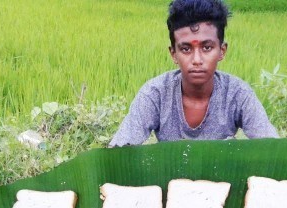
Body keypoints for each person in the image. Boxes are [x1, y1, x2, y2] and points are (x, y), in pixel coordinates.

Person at [108, 0, 278, 147]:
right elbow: (120, 148)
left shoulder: (238, 94)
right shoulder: (155, 94)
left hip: (220, 182)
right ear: (174, 53)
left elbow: (273, 147)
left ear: (222, 51)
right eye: (186, 49)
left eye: (207, 47)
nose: (197, 59)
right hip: (171, 180)